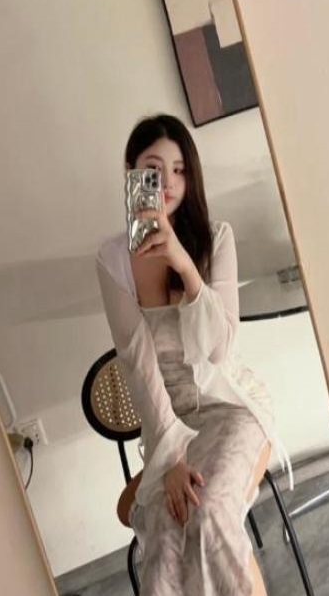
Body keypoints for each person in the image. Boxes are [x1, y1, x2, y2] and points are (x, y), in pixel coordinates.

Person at [96, 114, 288, 596]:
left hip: (230, 408)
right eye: (153, 170)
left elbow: (220, 348)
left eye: (179, 170)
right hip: (169, 426)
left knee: (208, 515)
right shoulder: (113, 260)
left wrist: (184, 263)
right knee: (164, 547)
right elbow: (139, 368)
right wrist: (171, 458)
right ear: (131, 172)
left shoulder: (215, 238)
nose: (167, 184)